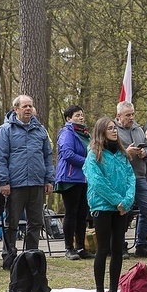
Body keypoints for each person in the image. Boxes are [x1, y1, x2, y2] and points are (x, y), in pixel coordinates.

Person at [0, 95, 55, 268]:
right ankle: (9, 257)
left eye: (30, 106)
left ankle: (31, 257)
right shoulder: (6, 130)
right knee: (12, 222)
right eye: (24, 106)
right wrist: (4, 182)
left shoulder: (40, 130)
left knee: (35, 223)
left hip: (36, 183)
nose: (28, 109)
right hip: (15, 184)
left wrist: (49, 179)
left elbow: (47, 156)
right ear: (16, 109)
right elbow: (0, 157)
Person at [83, 117, 135, 292]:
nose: (114, 131)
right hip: (103, 207)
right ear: (101, 131)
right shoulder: (94, 155)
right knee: (103, 248)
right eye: (110, 128)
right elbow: (97, 183)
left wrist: (127, 201)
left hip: (121, 208)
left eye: (115, 128)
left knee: (117, 248)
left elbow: (131, 177)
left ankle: (113, 291)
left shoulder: (121, 153)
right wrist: (117, 201)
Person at [115, 101, 147, 258]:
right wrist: (126, 152)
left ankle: (142, 244)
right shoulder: (112, 130)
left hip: (139, 176)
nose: (131, 117)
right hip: (122, 179)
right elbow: (107, 155)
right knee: (123, 212)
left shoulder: (138, 129)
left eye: (133, 114)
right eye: (128, 115)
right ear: (119, 116)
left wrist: (145, 153)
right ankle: (120, 245)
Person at [55, 105, 94, 261]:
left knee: (82, 214)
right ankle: (69, 248)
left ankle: (81, 247)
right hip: (70, 177)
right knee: (71, 213)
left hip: (85, 178)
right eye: (77, 115)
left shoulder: (86, 134)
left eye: (82, 115)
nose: (81, 117)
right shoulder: (67, 133)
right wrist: (88, 163)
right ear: (68, 118)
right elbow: (67, 153)